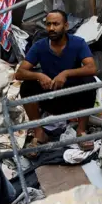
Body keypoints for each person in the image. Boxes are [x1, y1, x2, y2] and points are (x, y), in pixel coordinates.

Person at [15, 10, 97, 153]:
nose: (51, 28)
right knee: (27, 87)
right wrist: (39, 76)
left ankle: (81, 131)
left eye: (56, 24)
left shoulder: (78, 43)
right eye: (48, 24)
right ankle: (40, 134)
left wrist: (66, 73)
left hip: (73, 97)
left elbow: (92, 68)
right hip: (51, 97)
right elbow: (19, 73)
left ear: (65, 26)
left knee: (89, 81)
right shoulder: (40, 46)